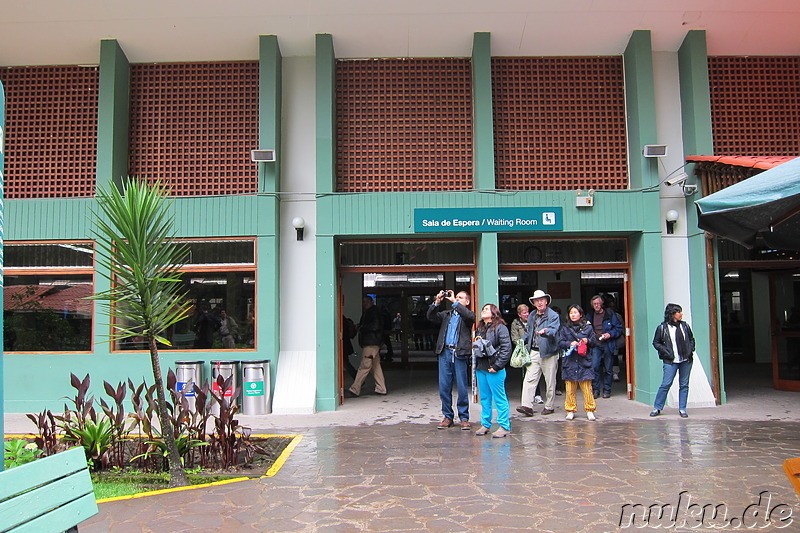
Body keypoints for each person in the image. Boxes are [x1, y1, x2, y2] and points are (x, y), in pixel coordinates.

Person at [427, 289, 475, 430]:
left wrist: (454, 301)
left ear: (467, 302)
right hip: (445, 352)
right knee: (444, 387)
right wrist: (437, 302)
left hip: (459, 353)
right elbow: (430, 317)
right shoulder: (446, 315)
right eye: (456, 297)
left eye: (461, 298)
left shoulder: (468, 315)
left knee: (461, 386)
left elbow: (468, 316)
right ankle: (448, 416)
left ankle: (464, 417)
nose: (457, 299)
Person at [517, 289, 561, 416]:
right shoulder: (532, 316)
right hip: (534, 351)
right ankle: (527, 406)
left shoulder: (553, 316)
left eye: (542, 300)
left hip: (549, 352)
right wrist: (522, 340)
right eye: (537, 301)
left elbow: (554, 330)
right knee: (529, 379)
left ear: (546, 301)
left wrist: (545, 332)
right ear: (534, 303)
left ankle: (549, 406)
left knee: (550, 380)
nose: (540, 303)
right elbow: (529, 332)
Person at [473, 303, 513, 438]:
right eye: (482, 309)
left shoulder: (500, 328)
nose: (483, 311)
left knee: (499, 398)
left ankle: (504, 426)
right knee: (484, 398)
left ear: (494, 312)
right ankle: (485, 424)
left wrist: (497, 366)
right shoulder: (480, 328)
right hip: (481, 368)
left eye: (486, 309)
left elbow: (506, 348)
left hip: (494, 368)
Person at [650, 303, 695, 418]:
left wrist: (690, 350)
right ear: (672, 314)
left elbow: (691, 339)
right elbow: (656, 342)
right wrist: (666, 351)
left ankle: (682, 408)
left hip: (685, 360)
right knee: (666, 384)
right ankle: (657, 407)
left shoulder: (685, 326)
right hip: (670, 361)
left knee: (684, 384)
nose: (681, 314)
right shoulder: (663, 328)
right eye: (678, 312)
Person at [558, 305, 598, 420]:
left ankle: (590, 410)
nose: (573, 315)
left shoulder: (588, 328)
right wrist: (569, 344)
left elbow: (594, 342)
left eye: (575, 312)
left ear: (581, 314)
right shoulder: (565, 328)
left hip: (584, 361)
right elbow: (560, 342)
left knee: (587, 387)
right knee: (570, 388)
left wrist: (587, 340)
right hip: (570, 361)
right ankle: (570, 410)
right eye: (571, 313)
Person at [347, 296, 388, 397]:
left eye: (366, 301)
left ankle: (355, 388)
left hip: (371, 343)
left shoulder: (372, 312)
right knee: (375, 366)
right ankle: (381, 388)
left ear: (371, 302)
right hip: (374, 342)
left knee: (364, 365)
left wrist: (361, 328)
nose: (364, 303)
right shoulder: (373, 312)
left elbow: (375, 326)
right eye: (363, 302)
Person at [589, 295, 623, 399]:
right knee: (594, 367)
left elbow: (619, 328)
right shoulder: (590, 315)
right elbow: (586, 329)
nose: (596, 306)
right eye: (594, 304)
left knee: (608, 369)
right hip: (596, 344)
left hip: (608, 344)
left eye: (598, 303)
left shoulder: (610, 314)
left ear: (602, 304)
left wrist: (610, 334)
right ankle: (596, 390)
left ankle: (607, 390)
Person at [510, 303, 543, 404]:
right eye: (524, 313)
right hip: (523, 350)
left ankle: (537, 395)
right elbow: (514, 338)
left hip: (534, 348)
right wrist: (522, 345)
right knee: (526, 374)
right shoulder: (515, 324)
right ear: (519, 314)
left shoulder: (533, 320)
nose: (527, 314)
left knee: (535, 372)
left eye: (527, 312)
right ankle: (528, 397)